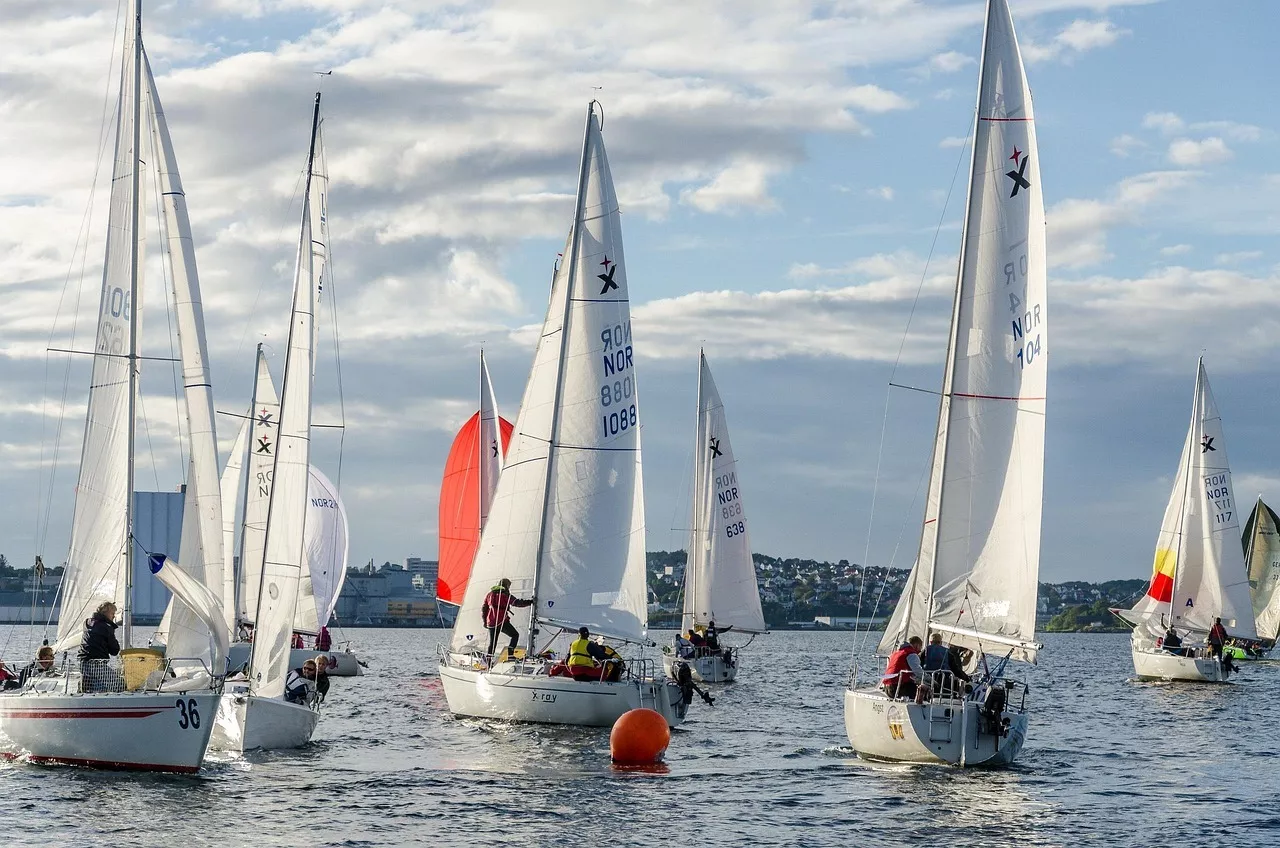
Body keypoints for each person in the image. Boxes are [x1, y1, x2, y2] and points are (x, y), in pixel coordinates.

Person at [79, 601, 123, 693]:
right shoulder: (106, 627)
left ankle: (84, 695)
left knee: (90, 687)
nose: (114, 616)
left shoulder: (87, 622)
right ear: (105, 613)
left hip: (82, 662)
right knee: (119, 685)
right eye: (112, 613)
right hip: (97, 664)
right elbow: (114, 651)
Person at [483, 578, 533, 656]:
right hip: (502, 621)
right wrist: (530, 602)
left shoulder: (490, 594)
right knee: (515, 635)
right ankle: (510, 655)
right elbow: (516, 603)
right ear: (506, 585)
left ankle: (487, 662)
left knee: (492, 643)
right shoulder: (505, 594)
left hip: (491, 622)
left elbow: (484, 608)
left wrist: (485, 622)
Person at [882, 636, 928, 702]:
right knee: (925, 692)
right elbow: (918, 671)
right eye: (920, 647)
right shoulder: (911, 654)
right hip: (898, 688)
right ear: (917, 645)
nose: (920, 650)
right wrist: (930, 679)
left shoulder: (896, 653)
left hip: (887, 687)